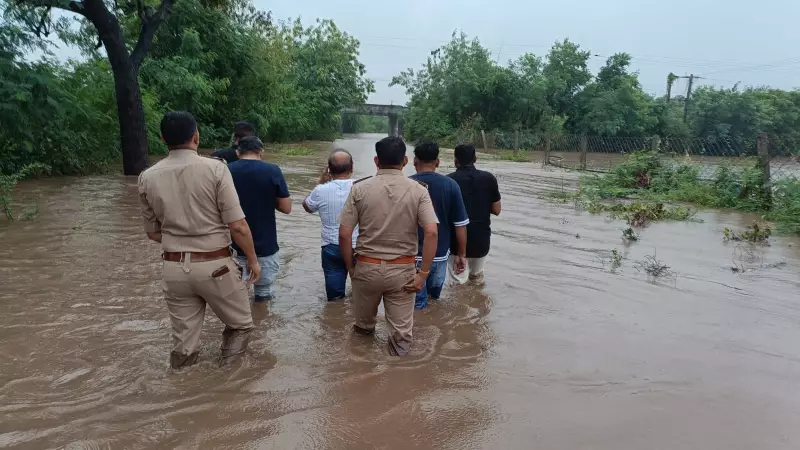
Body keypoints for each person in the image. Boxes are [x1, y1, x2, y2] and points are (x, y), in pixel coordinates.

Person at [138, 111, 260, 369]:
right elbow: (238, 226)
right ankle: (228, 379)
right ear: (196, 136)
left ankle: (182, 383)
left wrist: (181, 240)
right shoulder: (216, 169)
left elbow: (152, 233)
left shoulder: (147, 177)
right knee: (240, 326)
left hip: (173, 268)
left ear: (163, 139)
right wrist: (252, 259)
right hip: (216, 266)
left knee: (184, 344)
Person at [338, 136, 439, 356]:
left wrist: (351, 268)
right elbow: (431, 232)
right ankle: (398, 373)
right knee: (401, 338)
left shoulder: (359, 189)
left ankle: (359, 369)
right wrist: (423, 274)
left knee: (362, 329)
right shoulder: (419, 191)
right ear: (405, 160)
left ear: (376, 160)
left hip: (366, 267)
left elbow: (345, 234)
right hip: (403, 271)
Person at [227, 136, 292, 302]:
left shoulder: (226, 170)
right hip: (266, 246)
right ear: (261, 151)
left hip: (232, 246)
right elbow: (286, 208)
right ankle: (262, 317)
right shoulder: (273, 170)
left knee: (236, 298)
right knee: (263, 294)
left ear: (237, 152)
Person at [410, 141, 469, 309]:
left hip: (411, 257)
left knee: (416, 304)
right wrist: (461, 254)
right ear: (437, 162)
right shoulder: (451, 185)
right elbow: (460, 225)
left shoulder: (407, 185)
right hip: (440, 255)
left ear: (414, 162)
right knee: (433, 301)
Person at [302, 149, 359, 301]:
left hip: (331, 246)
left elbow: (307, 206)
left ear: (329, 169)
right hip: (358, 246)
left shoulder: (320, 190)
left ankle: (336, 314)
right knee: (361, 294)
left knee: (334, 299)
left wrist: (320, 182)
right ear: (352, 167)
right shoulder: (362, 187)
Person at [447, 144, 501, 284]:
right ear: (475, 158)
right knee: (477, 279)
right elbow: (497, 210)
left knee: (458, 283)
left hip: (456, 241)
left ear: (456, 161)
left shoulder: (448, 181)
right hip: (481, 240)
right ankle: (477, 297)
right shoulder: (489, 179)